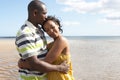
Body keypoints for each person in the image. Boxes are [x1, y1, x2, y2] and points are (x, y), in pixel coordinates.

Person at [15, 0, 69, 80]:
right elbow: (35, 64)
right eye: (44, 13)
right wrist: (59, 68)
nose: (46, 16)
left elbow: (42, 55)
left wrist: (23, 64)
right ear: (35, 13)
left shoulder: (39, 30)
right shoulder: (25, 33)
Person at [41, 15, 75, 80]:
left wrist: (24, 64)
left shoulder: (62, 40)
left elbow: (45, 63)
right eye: (47, 30)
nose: (51, 31)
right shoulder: (50, 45)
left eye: (52, 27)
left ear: (57, 25)